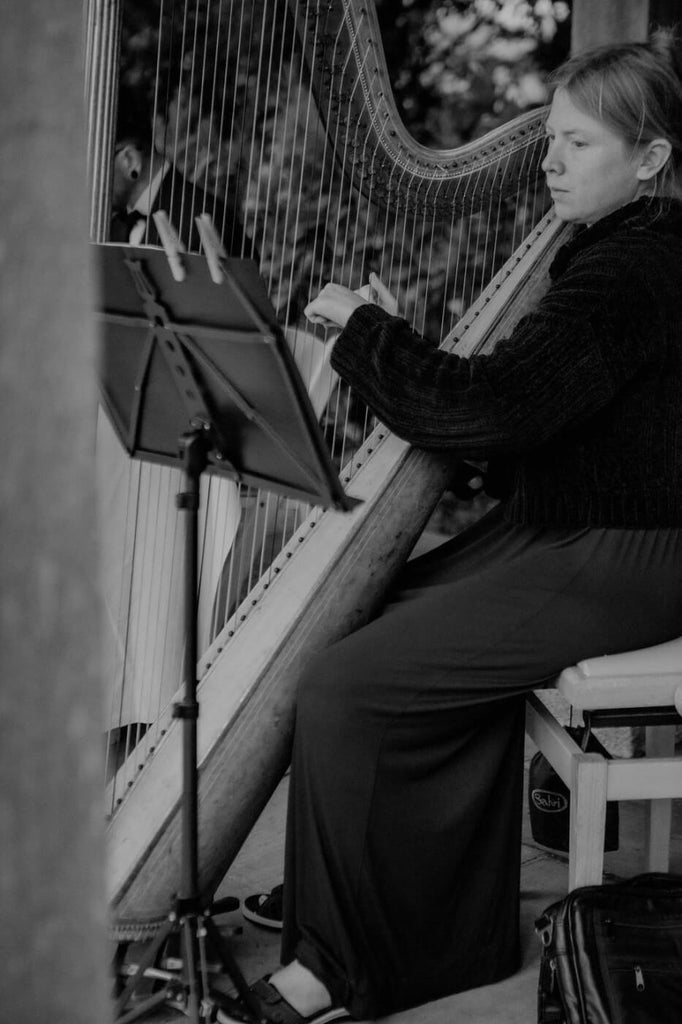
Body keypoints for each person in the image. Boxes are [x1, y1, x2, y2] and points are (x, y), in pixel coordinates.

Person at [220, 32, 682, 1024]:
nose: (550, 165)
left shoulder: (636, 269)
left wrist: (366, 337)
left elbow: (494, 412)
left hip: (620, 550)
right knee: (368, 608)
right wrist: (396, 347)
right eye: (548, 142)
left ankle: (342, 967)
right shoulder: (613, 251)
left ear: (649, 160)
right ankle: (397, 904)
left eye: (577, 146)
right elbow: (526, 408)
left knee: (351, 677)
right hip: (564, 529)